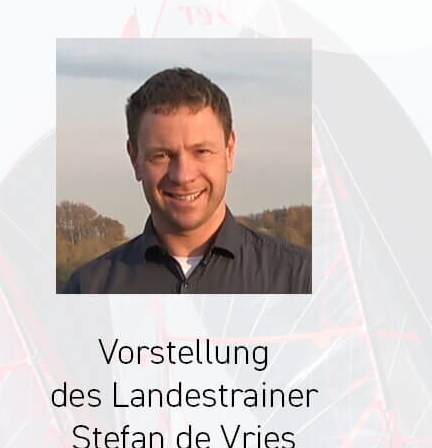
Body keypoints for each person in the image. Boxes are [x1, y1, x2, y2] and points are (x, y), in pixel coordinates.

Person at [62, 66, 311, 294]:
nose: (183, 175)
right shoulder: (88, 289)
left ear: (230, 151)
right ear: (134, 158)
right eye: (162, 155)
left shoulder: (299, 280)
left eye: (201, 152)